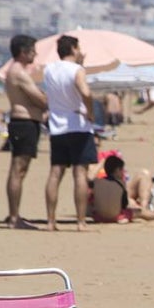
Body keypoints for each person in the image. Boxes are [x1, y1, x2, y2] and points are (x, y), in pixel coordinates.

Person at [43, 35, 99, 232]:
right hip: (78, 124)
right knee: (79, 173)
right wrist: (91, 112)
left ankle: (50, 221)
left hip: (57, 126)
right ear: (74, 49)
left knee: (55, 172)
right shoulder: (77, 70)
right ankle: (81, 221)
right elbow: (86, 93)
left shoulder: (49, 69)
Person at [4, 34, 47, 230]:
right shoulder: (18, 72)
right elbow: (40, 100)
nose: (35, 55)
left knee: (18, 170)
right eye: (32, 51)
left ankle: (14, 215)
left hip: (23, 122)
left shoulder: (16, 71)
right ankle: (14, 217)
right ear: (23, 52)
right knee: (18, 170)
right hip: (24, 122)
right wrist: (46, 100)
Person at [90, 154, 154, 223]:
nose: (123, 173)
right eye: (122, 170)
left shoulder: (97, 182)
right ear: (117, 170)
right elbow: (124, 203)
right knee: (140, 212)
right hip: (116, 216)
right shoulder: (120, 183)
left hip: (98, 216)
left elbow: (90, 180)